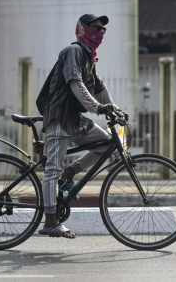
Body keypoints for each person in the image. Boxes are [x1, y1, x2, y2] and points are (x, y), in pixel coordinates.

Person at [37, 14, 126, 238]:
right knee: (52, 170)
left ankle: (71, 171)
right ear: (83, 29)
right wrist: (98, 108)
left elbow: (98, 88)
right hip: (59, 116)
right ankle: (50, 220)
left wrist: (115, 109)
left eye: (103, 29)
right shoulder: (73, 51)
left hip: (75, 119)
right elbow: (75, 82)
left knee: (107, 144)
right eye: (95, 27)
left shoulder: (89, 58)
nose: (100, 32)